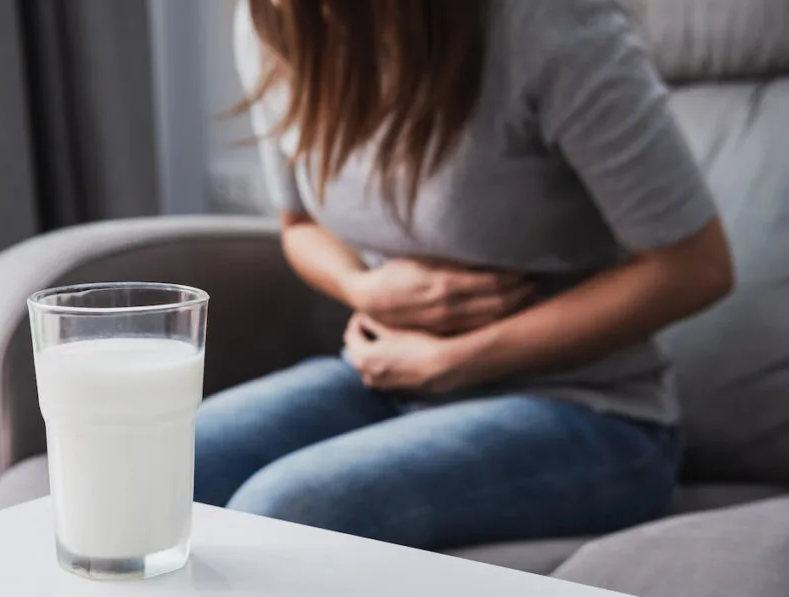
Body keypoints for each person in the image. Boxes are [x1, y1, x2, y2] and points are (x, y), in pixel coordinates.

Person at [194, 0, 733, 551]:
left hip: (594, 413)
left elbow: (697, 265)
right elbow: (300, 224)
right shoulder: (276, 20)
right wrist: (364, 288)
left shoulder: (552, 25)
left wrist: (457, 360)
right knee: (159, 467)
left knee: (285, 511)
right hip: (391, 379)